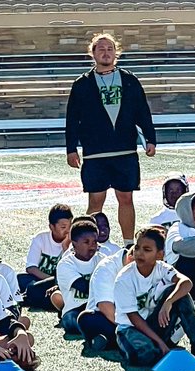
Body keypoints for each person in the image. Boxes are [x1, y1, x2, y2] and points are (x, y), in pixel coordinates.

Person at [64, 32, 157, 240]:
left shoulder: (129, 80)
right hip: (95, 153)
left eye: (110, 49)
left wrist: (151, 138)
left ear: (116, 53)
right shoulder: (82, 84)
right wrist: (71, 148)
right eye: (101, 49)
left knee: (126, 198)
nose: (106, 53)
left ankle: (128, 243)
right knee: (95, 201)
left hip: (125, 151)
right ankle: (87, 244)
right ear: (93, 53)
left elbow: (142, 111)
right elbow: (72, 118)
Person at [113, 227, 195, 367]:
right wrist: (160, 342)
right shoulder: (124, 278)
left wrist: (169, 302)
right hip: (130, 329)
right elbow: (134, 318)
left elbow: (186, 283)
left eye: (147, 250)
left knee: (180, 293)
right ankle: (140, 348)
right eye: (137, 248)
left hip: (154, 324)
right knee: (146, 356)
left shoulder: (162, 268)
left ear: (159, 254)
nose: (139, 253)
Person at [55, 218, 105, 336]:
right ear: (74, 244)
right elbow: (84, 287)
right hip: (75, 310)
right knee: (72, 320)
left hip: (97, 308)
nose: (92, 246)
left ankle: (99, 335)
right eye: (86, 242)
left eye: (95, 242)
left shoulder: (102, 260)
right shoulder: (65, 264)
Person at [21, 205, 74, 309]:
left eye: (70, 226)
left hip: (62, 282)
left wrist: (65, 247)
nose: (67, 231)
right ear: (51, 227)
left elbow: (70, 270)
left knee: (34, 290)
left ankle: (41, 299)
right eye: (63, 227)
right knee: (21, 280)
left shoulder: (74, 241)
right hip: (42, 279)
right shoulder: (41, 238)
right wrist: (50, 279)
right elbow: (31, 268)